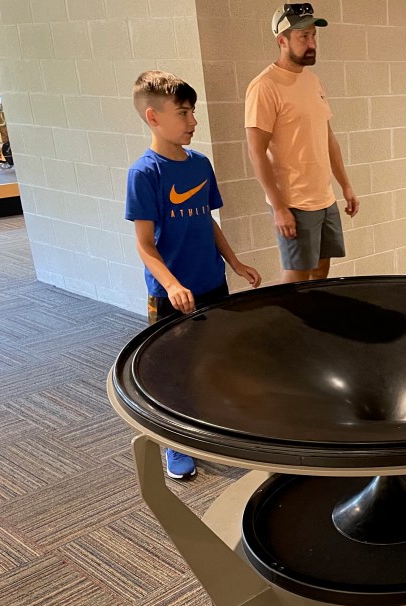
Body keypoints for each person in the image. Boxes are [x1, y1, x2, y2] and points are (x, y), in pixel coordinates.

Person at [126, 70, 262, 480]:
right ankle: (174, 444)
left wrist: (234, 262)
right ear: (153, 117)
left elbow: (207, 221)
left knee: (215, 359)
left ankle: (214, 427)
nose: (193, 121)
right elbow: (144, 245)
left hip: (211, 283)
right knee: (172, 372)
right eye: (183, 113)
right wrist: (171, 284)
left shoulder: (200, 165)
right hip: (171, 294)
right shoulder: (144, 173)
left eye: (193, 112)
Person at [245, 4, 359, 284]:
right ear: (282, 41)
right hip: (293, 201)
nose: (312, 44)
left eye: (313, 35)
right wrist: (279, 207)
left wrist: (345, 185)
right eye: (303, 37)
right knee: (296, 278)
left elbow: (327, 137)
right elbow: (256, 152)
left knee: (320, 270)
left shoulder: (312, 80)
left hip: (323, 197)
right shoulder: (264, 86)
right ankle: (287, 317)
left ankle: (314, 314)